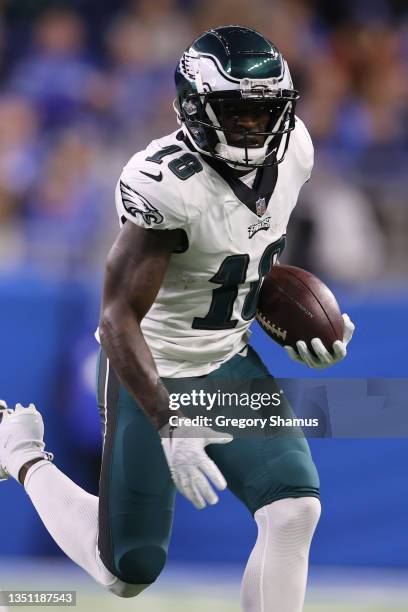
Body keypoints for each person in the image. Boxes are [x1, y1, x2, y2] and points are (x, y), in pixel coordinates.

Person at [0, 26, 354, 611]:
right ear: (194, 108)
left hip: (227, 360)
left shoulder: (296, 151)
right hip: (150, 369)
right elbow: (117, 318)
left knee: (294, 508)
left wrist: (302, 326)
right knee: (129, 570)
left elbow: (243, 257)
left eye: (263, 112)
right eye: (234, 112)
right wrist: (170, 422)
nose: (252, 126)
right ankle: (20, 452)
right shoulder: (164, 183)